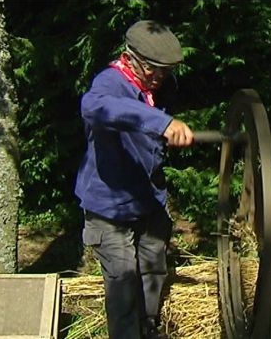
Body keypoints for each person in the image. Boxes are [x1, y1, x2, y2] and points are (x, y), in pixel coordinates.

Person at [75, 20, 194, 339]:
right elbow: (94, 106)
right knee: (124, 289)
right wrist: (161, 122)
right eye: (153, 69)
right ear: (130, 59)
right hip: (109, 210)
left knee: (154, 269)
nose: (159, 77)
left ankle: (148, 327)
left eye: (165, 71)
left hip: (148, 202)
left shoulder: (157, 85)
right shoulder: (110, 83)